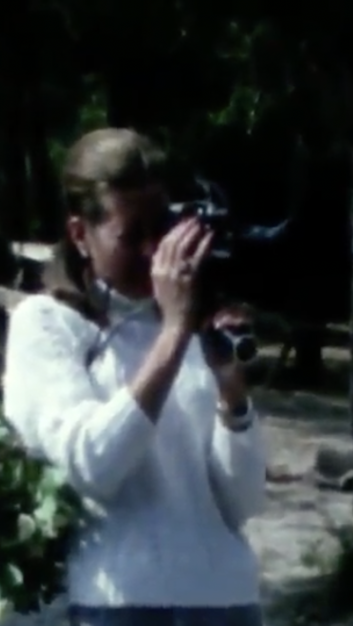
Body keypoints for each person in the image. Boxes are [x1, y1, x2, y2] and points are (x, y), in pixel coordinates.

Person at [3, 128, 267, 626]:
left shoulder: (187, 316)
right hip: (117, 602)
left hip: (226, 599)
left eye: (161, 229)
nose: (153, 252)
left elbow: (244, 500)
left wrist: (233, 399)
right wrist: (172, 334)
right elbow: (92, 465)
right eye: (132, 234)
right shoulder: (46, 324)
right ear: (80, 234)